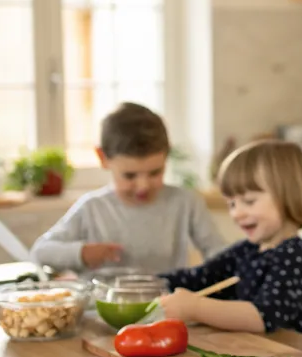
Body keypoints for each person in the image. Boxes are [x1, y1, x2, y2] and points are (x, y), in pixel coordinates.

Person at [30, 102, 224, 274]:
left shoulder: (185, 202)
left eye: (155, 172)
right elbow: (41, 251)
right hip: (100, 309)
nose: (143, 186)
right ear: (103, 158)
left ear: (167, 155)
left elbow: (218, 252)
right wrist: (81, 253)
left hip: (164, 307)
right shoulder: (92, 207)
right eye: (130, 176)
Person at [157, 139, 302, 335]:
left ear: (289, 196)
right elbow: (199, 278)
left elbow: (263, 316)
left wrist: (195, 308)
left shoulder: (295, 255)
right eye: (232, 204)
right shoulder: (246, 250)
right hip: (247, 356)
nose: (236, 213)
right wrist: (150, 284)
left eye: (249, 201)